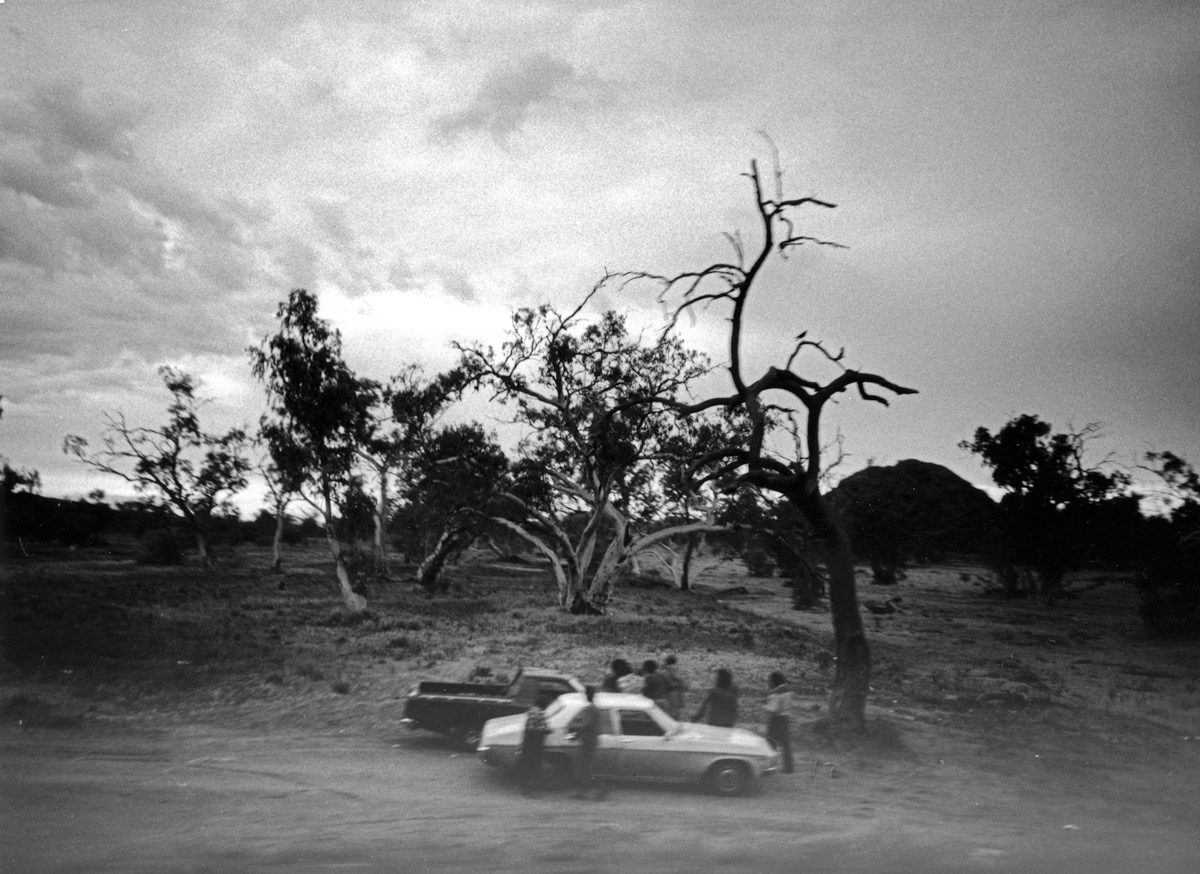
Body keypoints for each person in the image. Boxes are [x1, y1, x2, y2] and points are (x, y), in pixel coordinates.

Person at [566, 685, 607, 800]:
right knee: (585, 768)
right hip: (591, 740)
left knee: (584, 768)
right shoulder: (594, 708)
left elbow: (586, 725)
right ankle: (585, 792)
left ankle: (598, 789)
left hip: (588, 741)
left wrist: (574, 731)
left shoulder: (590, 709)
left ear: (588, 695)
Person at [763, 671, 795, 774]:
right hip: (785, 718)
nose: (769, 682)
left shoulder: (776, 692)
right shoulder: (789, 691)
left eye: (770, 680)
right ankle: (789, 767)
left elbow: (774, 709)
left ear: (774, 681)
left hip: (776, 719)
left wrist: (765, 707)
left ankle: (769, 766)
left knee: (770, 743)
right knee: (785, 744)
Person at [518, 701, 550, 796]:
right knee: (534, 767)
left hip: (527, 743)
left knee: (527, 766)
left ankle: (525, 789)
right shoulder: (540, 713)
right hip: (535, 744)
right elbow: (546, 729)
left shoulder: (531, 711)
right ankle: (531, 791)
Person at [660, 654, 688, 719]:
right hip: (674, 692)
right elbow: (677, 678)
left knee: (670, 712)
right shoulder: (672, 668)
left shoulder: (664, 670)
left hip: (668, 692)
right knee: (674, 713)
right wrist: (681, 683)